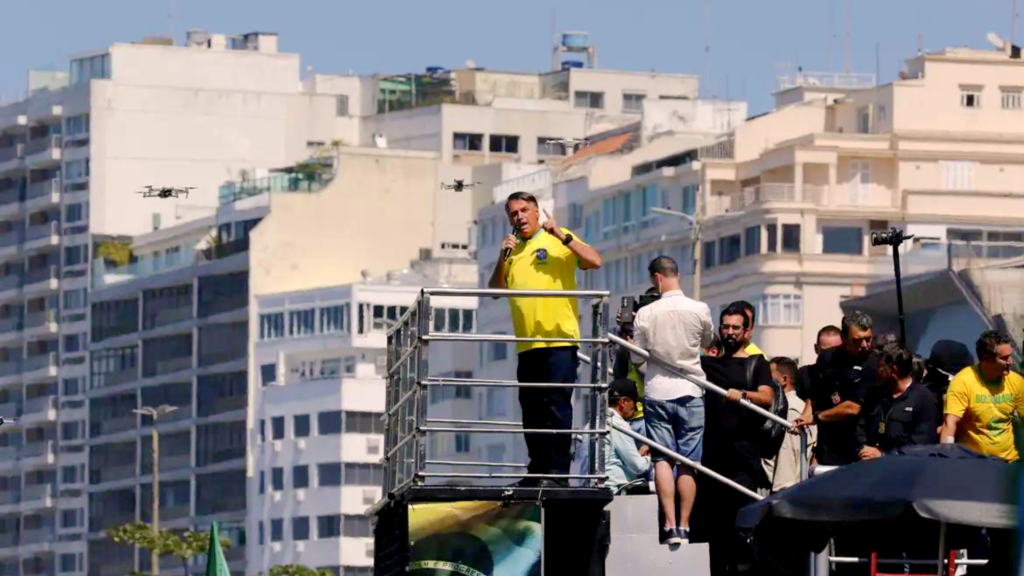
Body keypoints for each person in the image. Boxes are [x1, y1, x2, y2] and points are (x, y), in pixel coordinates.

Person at [488, 191, 602, 487]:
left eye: (525, 210)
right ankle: (537, 469)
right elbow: (496, 289)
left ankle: (558, 472)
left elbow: (595, 260)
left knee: (556, 405)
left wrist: (562, 236)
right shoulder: (513, 250)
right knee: (532, 409)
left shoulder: (557, 236)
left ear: (537, 212)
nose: (520, 217)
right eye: (514, 213)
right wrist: (503, 256)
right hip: (528, 344)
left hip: (559, 340)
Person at [631, 256, 714, 545]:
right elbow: (707, 342)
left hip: (657, 391)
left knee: (662, 459)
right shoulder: (699, 308)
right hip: (692, 389)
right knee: (689, 462)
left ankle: (668, 525)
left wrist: (651, 369)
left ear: (656, 278)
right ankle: (685, 525)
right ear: (676, 274)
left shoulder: (645, 313)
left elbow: (636, 356)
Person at [694, 304, 776, 574]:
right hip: (710, 456)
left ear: (747, 331)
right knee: (711, 527)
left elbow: (766, 396)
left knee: (741, 525)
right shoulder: (707, 364)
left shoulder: (756, 363)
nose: (729, 332)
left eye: (735, 328)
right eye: (725, 327)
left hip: (742, 457)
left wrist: (742, 394)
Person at [796, 311, 879, 466]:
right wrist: (804, 417)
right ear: (844, 338)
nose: (865, 345)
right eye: (858, 340)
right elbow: (816, 394)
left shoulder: (875, 363)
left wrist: (816, 417)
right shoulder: (826, 358)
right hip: (829, 446)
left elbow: (852, 408)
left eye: (868, 339)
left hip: (862, 447)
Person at [941, 331, 1024, 462]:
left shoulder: (1016, 382)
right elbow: (950, 424)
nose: (1010, 362)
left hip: (1009, 462)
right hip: (975, 463)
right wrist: (947, 461)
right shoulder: (963, 381)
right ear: (986, 359)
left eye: (1010, 356)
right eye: (1004, 358)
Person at [855, 342, 939, 459]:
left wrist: (883, 455)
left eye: (880, 367)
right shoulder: (874, 394)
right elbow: (861, 428)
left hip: (903, 470)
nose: (877, 371)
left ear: (893, 370)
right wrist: (864, 449)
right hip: (869, 466)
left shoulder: (924, 399)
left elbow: (922, 444)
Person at [764, 357, 815, 491]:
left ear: (784, 380)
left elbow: (787, 461)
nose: (763, 380)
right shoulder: (794, 408)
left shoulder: (791, 411)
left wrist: (781, 491)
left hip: (781, 492)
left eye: (768, 375)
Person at [604, 379, 653, 492]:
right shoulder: (618, 425)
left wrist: (639, 454)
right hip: (613, 489)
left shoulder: (594, 422)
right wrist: (651, 457)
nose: (635, 409)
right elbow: (638, 467)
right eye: (634, 403)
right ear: (623, 402)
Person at [795, 325, 843, 400]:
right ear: (816, 349)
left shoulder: (851, 374)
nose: (829, 355)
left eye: (835, 350)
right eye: (825, 351)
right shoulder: (804, 374)